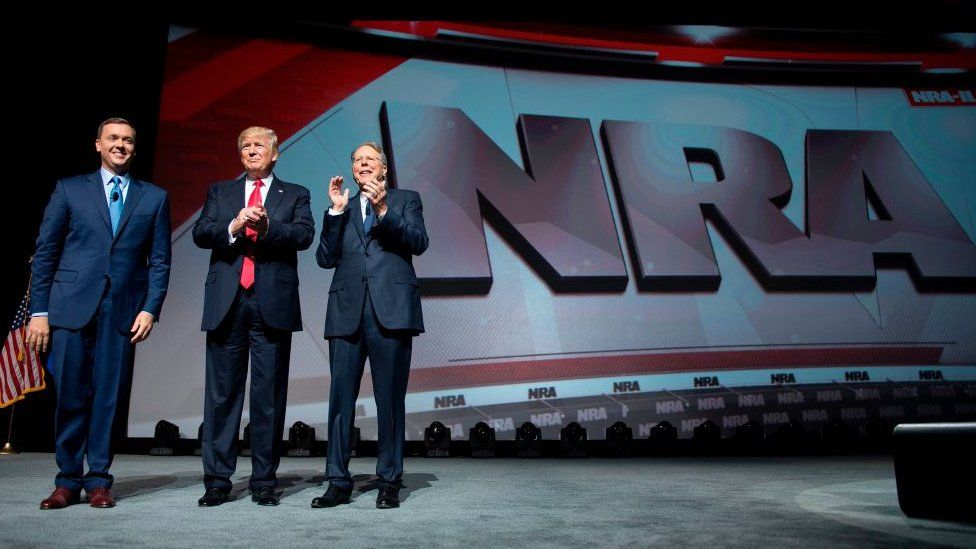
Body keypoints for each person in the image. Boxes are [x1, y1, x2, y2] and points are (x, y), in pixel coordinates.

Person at [27, 117, 172, 509]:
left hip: (122, 312)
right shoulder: (70, 189)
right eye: (113, 138)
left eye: (127, 140)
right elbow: (46, 254)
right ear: (98, 144)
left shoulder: (154, 197)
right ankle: (67, 480)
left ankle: (98, 481)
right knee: (70, 394)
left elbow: (159, 261)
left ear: (135, 148)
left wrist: (150, 309)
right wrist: (38, 310)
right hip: (70, 307)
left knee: (107, 397)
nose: (120, 145)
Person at [192, 126, 314, 507]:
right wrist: (234, 225)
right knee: (222, 397)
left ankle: (263, 480)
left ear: (275, 153)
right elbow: (201, 232)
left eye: (259, 144)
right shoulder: (221, 191)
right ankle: (217, 481)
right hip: (228, 302)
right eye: (244, 145)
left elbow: (304, 235)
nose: (251, 150)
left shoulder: (295, 193)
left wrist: (267, 227)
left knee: (268, 398)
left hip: (271, 304)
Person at [312, 141, 428, 509]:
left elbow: (418, 242)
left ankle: (389, 481)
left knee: (389, 400)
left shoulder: (406, 199)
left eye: (369, 159)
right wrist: (333, 212)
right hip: (346, 312)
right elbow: (324, 258)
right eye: (356, 159)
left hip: (390, 313)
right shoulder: (341, 208)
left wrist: (382, 210)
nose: (362, 164)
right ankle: (337, 481)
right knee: (340, 402)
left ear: (383, 170)